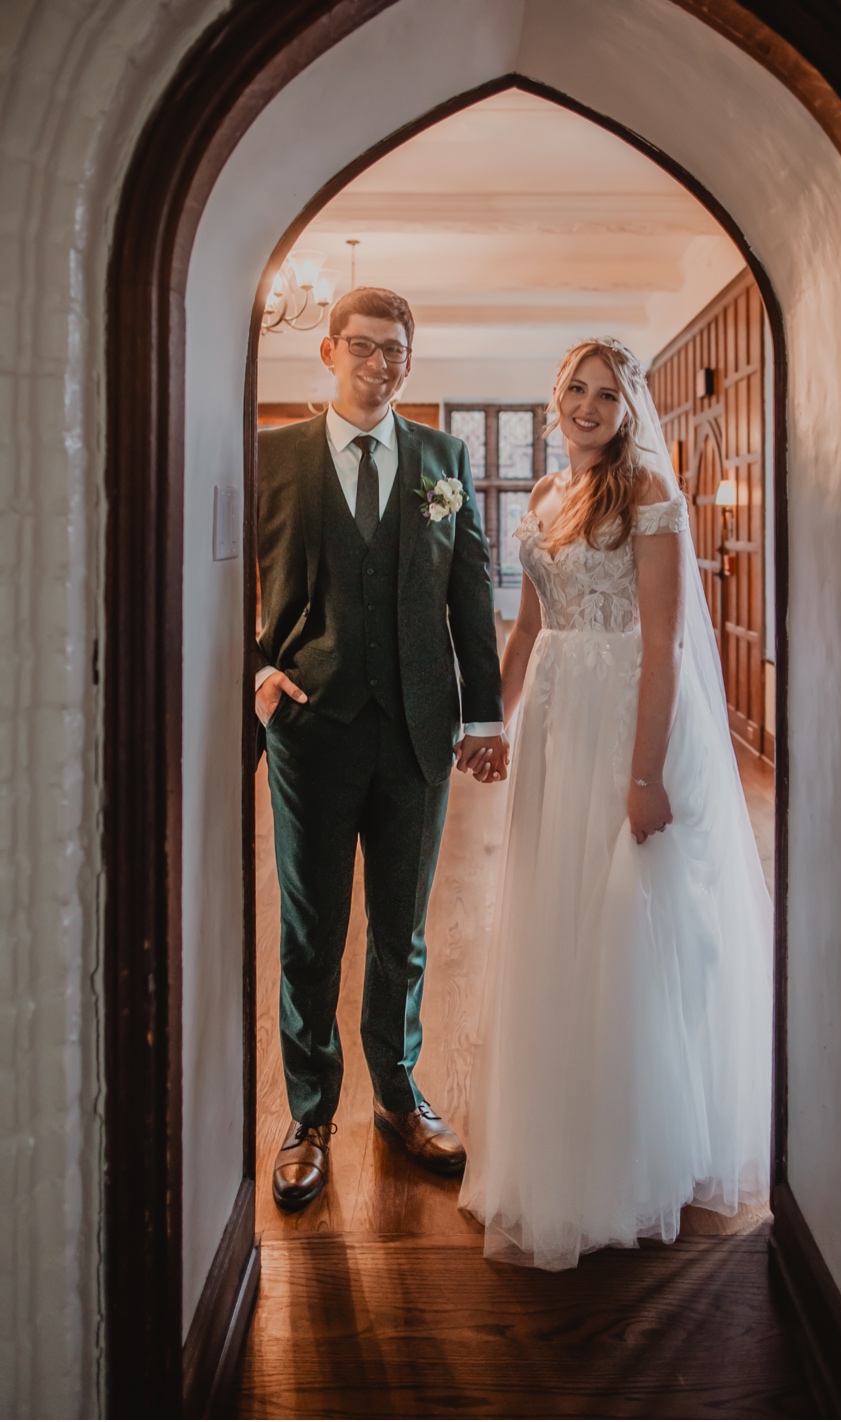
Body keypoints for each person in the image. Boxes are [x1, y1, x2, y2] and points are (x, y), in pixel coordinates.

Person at [457, 338, 772, 1270]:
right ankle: (560, 1130)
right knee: (556, 912)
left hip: (624, 716)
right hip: (556, 717)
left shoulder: (646, 494)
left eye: (606, 394)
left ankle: (636, 1156)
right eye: (575, 390)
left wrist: (645, 775)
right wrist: (493, 724)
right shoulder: (548, 497)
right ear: (556, 397)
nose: (588, 407)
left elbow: (667, 644)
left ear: (629, 408)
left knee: (627, 915)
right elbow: (526, 629)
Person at [253, 287, 508, 1211]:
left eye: (396, 349)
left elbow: (470, 593)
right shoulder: (270, 456)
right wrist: (256, 673)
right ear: (327, 352)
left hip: (415, 734)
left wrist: (484, 715)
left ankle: (399, 1098)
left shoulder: (444, 459)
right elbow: (215, 572)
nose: (380, 362)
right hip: (311, 731)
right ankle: (310, 1114)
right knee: (311, 933)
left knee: (401, 929)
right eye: (362, 345)